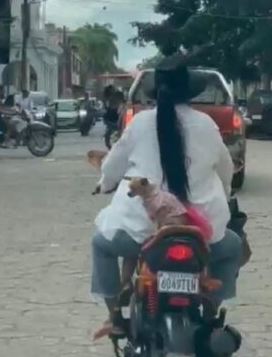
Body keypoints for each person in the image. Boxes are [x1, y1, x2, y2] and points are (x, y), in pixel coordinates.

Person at [90, 56, 242, 336]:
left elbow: (112, 166)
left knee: (101, 244)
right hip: (199, 234)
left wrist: (105, 182)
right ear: (189, 90)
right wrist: (227, 191)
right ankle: (211, 310)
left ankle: (114, 316)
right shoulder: (206, 124)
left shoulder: (139, 123)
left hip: (141, 234)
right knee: (232, 248)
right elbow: (226, 170)